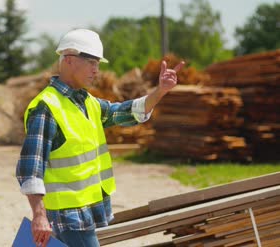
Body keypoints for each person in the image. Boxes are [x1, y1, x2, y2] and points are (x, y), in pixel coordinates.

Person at [16, 28, 184, 247]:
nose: (97, 71)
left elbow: (126, 112)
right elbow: (30, 168)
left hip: (90, 208)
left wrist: (160, 91)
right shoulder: (46, 107)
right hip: (68, 215)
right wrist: (39, 215)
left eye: (98, 64)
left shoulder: (87, 102)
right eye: (91, 62)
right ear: (69, 60)